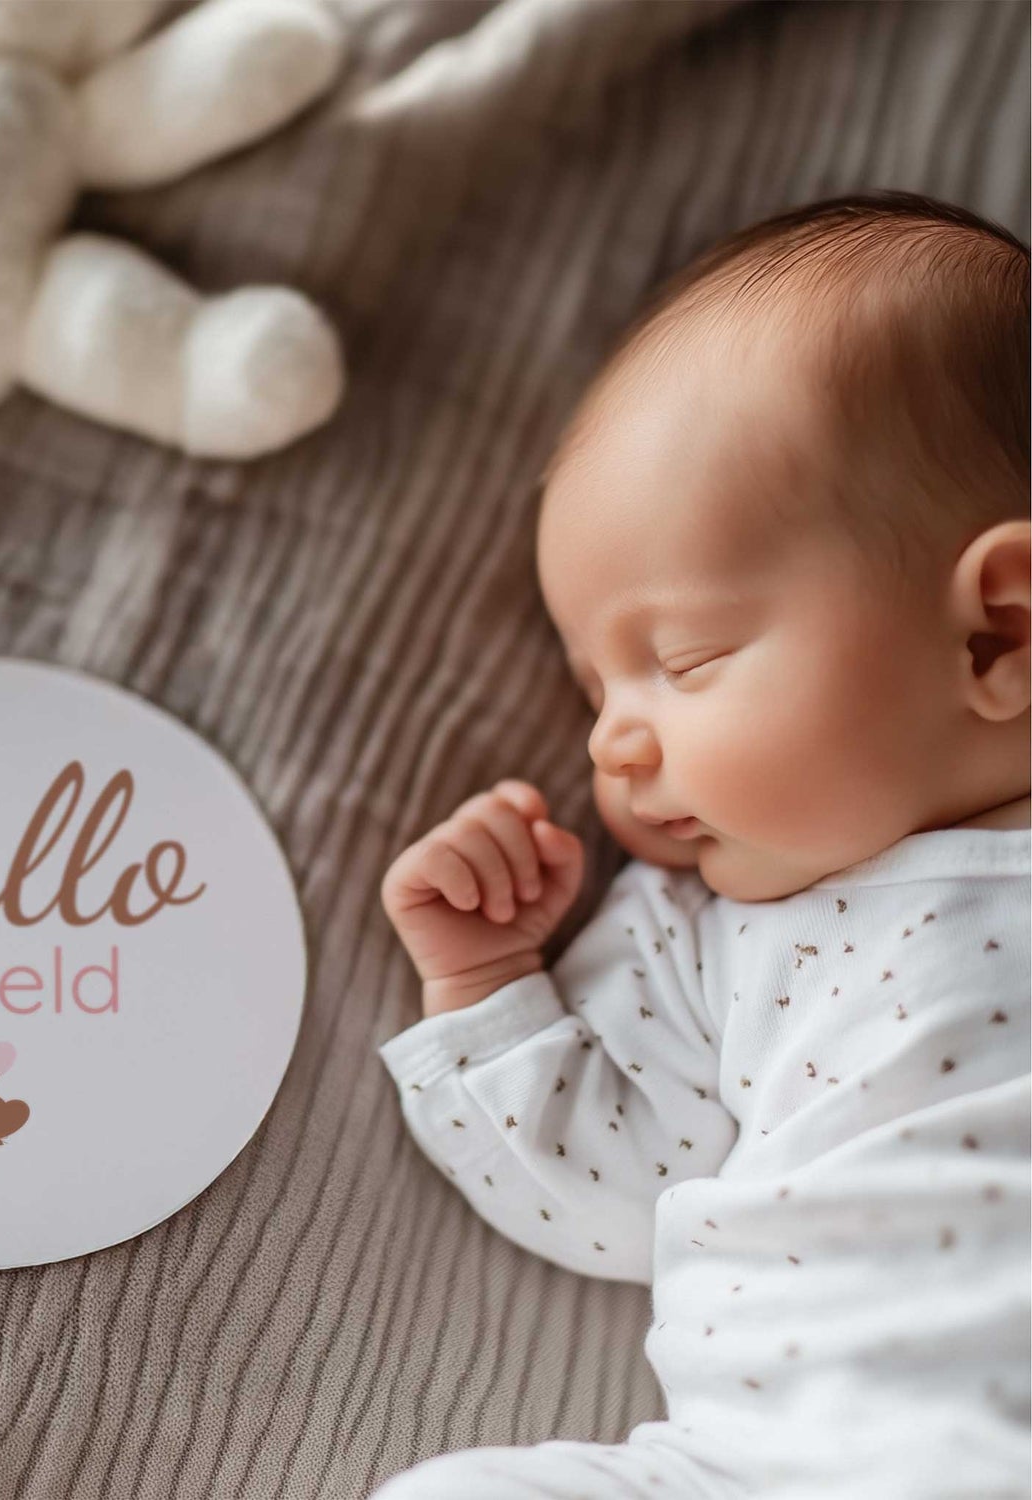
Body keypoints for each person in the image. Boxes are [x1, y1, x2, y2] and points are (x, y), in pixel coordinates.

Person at [374, 192, 1031, 1499]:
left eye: (686, 660)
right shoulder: (701, 935)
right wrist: (487, 980)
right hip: (763, 1465)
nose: (615, 743)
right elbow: (609, 1196)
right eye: (596, 695)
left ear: (997, 638)